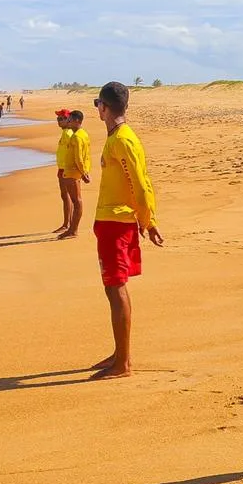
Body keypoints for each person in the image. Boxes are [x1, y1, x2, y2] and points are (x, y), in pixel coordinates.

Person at [91, 82, 162, 380]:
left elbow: (140, 182)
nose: (97, 108)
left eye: (98, 104)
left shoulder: (123, 139)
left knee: (116, 287)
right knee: (113, 285)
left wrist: (148, 220)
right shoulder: (116, 138)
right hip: (109, 221)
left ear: (105, 108)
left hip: (117, 222)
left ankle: (124, 363)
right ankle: (120, 353)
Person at [59, 109, 92, 238]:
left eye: (70, 120)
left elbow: (79, 157)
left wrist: (84, 173)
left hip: (73, 171)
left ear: (77, 121)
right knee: (76, 201)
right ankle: (72, 229)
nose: (68, 122)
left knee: (76, 201)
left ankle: (73, 230)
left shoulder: (77, 136)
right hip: (74, 171)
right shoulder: (83, 134)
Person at [51, 109, 76, 235]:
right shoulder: (66, 132)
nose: (59, 122)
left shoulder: (68, 133)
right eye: (58, 119)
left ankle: (67, 224)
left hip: (66, 169)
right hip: (62, 168)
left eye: (61, 119)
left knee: (67, 197)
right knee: (65, 196)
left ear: (68, 120)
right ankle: (67, 223)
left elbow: (73, 150)